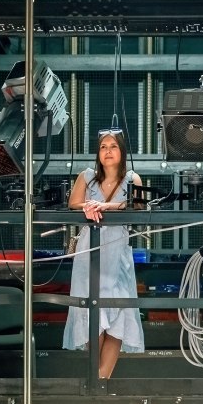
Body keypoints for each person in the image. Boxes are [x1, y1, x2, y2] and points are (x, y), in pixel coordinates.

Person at [64, 129, 144, 378]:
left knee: (118, 314)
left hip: (118, 252)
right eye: (103, 147)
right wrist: (89, 206)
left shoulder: (132, 178)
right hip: (89, 251)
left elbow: (138, 206)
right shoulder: (86, 177)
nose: (108, 151)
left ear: (122, 151)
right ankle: (94, 379)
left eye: (113, 146)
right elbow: (73, 203)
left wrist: (106, 206)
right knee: (91, 313)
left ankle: (101, 381)